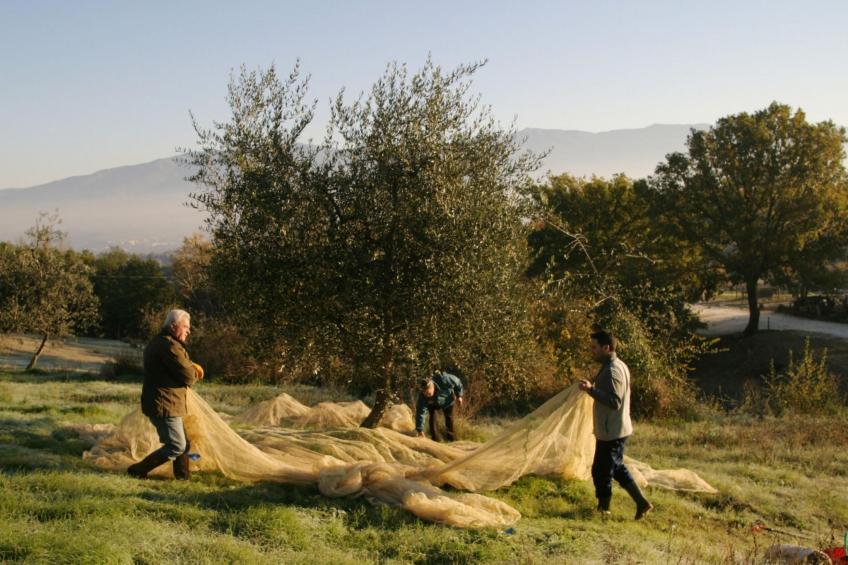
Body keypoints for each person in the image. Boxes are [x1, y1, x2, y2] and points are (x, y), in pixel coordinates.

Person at [579, 330, 653, 519]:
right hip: (613, 428)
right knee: (616, 467)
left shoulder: (613, 371)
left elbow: (614, 402)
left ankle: (604, 509)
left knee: (600, 471)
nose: (592, 351)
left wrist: (591, 390)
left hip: (612, 431)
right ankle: (642, 503)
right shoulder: (614, 365)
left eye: (594, 348)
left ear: (606, 348)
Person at [127, 309, 202, 480]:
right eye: (185, 327)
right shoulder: (169, 346)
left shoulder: (161, 342)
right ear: (174, 326)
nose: (188, 331)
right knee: (176, 445)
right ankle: (137, 470)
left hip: (166, 402)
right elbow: (189, 377)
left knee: (184, 443)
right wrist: (196, 372)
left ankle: (182, 478)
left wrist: (189, 367)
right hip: (165, 404)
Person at [415, 369, 464, 441]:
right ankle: (435, 440)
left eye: (428, 393)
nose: (427, 395)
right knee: (432, 418)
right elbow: (420, 413)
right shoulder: (423, 396)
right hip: (433, 404)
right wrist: (420, 430)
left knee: (449, 418)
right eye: (425, 393)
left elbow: (458, 382)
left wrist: (459, 395)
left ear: (432, 387)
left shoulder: (444, 379)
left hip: (447, 400)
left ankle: (451, 440)